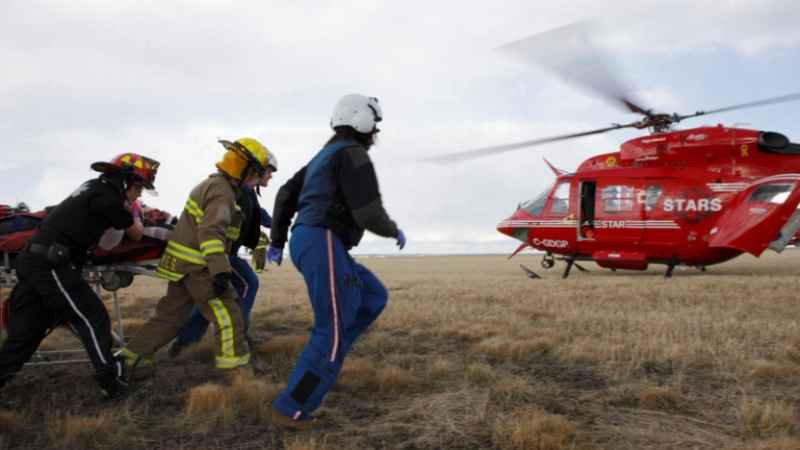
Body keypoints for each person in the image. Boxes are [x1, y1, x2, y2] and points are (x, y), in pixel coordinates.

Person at [265, 94, 406, 430]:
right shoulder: (352, 153)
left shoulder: (323, 156)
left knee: (372, 296)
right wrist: (392, 229)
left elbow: (285, 194)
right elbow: (368, 213)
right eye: (375, 127)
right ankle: (291, 410)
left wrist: (279, 241)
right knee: (330, 332)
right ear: (363, 120)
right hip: (322, 240)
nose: (375, 134)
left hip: (315, 241)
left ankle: (327, 362)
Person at [0, 153, 158, 399]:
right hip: (49, 264)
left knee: (27, 331)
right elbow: (136, 234)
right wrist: (135, 213)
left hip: (32, 259)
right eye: (138, 187)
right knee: (92, 317)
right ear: (124, 180)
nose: (139, 194)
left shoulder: (92, 187)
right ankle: (112, 383)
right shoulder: (111, 200)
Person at [120, 138, 270, 375]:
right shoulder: (222, 192)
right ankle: (238, 372)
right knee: (230, 314)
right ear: (242, 168)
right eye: (254, 172)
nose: (255, 178)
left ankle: (129, 362)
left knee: (170, 317)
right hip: (198, 266)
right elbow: (211, 234)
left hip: (183, 265)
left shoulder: (215, 185)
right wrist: (220, 271)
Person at [167, 150, 277, 357]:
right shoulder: (236, 191)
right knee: (247, 283)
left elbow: (258, 214)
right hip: (222, 254)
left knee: (216, 295)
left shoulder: (247, 192)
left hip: (224, 253)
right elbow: (215, 227)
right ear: (256, 170)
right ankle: (238, 337)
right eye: (269, 171)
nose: (271, 176)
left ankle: (185, 340)